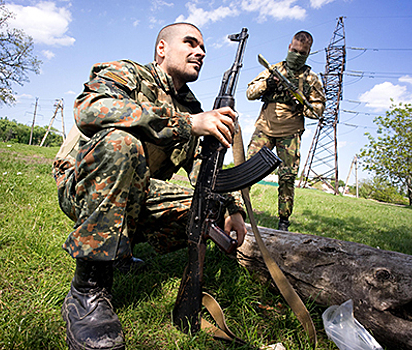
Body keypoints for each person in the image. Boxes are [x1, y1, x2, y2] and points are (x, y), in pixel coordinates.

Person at [51, 23, 247, 350]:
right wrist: (186, 125)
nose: (200, 52)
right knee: (121, 143)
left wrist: (231, 207)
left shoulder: (193, 108)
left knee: (205, 207)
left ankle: (122, 249)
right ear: (161, 49)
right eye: (190, 43)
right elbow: (90, 109)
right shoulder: (127, 73)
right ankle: (87, 291)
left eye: (203, 48)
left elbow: (204, 172)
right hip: (84, 184)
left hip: (138, 192)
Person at [246, 31, 325, 231]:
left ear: (308, 54)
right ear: (289, 47)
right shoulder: (273, 70)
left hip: (290, 132)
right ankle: (236, 208)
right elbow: (250, 93)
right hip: (264, 128)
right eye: (295, 50)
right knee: (246, 170)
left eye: (302, 53)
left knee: (287, 177)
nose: (297, 55)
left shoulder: (311, 79)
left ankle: (284, 220)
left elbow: (317, 111)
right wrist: (268, 84)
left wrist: (301, 101)